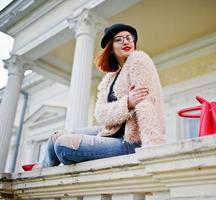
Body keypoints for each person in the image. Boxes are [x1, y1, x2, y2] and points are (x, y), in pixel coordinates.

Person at [22, 23, 165, 171]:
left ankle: (43, 169)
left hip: (131, 141)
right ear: (110, 48)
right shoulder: (109, 78)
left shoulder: (139, 61)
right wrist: (127, 103)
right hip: (111, 132)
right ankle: (43, 168)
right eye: (119, 39)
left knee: (63, 145)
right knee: (54, 138)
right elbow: (100, 113)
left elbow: (147, 105)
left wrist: (152, 150)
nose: (126, 41)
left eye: (129, 38)